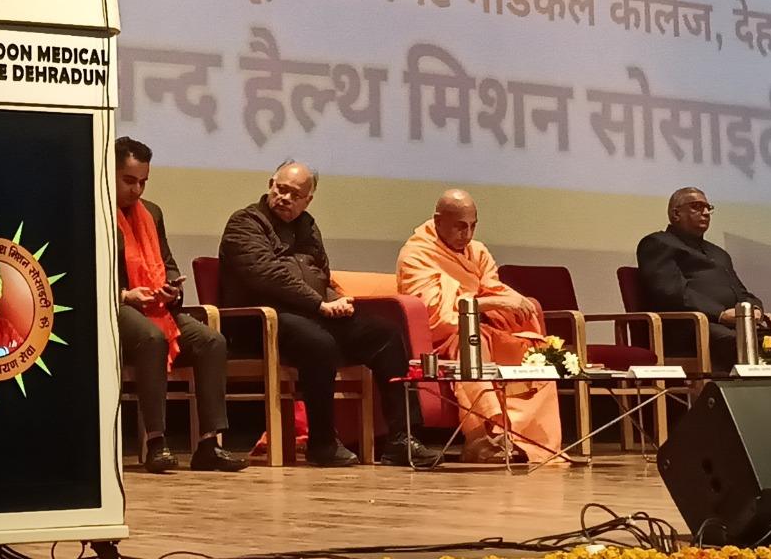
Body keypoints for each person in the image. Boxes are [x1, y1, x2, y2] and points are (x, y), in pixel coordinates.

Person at [219, 162, 439, 467]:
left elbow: (320, 275)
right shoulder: (245, 223)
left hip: (309, 314)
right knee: (318, 343)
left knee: (385, 335)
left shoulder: (307, 226)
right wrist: (319, 305)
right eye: (281, 189)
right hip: (259, 320)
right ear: (271, 184)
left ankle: (403, 439)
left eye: (295, 195)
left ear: (308, 200)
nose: (285, 198)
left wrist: (337, 301)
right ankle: (322, 443)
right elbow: (266, 275)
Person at [396, 189, 564, 463]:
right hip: (441, 339)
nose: (468, 234)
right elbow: (435, 315)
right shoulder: (417, 254)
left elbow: (493, 288)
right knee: (471, 341)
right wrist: (488, 304)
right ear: (438, 221)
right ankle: (482, 437)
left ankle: (528, 440)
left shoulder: (477, 251)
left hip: (478, 327)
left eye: (473, 225)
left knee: (530, 346)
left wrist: (514, 301)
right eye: (460, 226)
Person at [115, 137, 247, 474]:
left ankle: (209, 444)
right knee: (151, 338)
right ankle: (156, 442)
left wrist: (172, 289)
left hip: (155, 306)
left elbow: (168, 263)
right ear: (109, 173)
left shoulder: (152, 213)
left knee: (211, 341)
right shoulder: (94, 211)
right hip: (115, 305)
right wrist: (126, 295)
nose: (137, 190)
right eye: (129, 181)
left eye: (143, 182)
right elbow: (85, 274)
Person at [637, 187, 771, 370]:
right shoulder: (658, 243)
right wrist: (720, 314)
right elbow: (672, 292)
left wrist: (755, 310)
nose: (706, 212)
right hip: (692, 327)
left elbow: (740, 292)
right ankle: (753, 383)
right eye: (697, 206)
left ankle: (766, 385)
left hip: (734, 327)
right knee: (742, 345)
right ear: (676, 214)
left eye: (708, 208)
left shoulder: (718, 253)